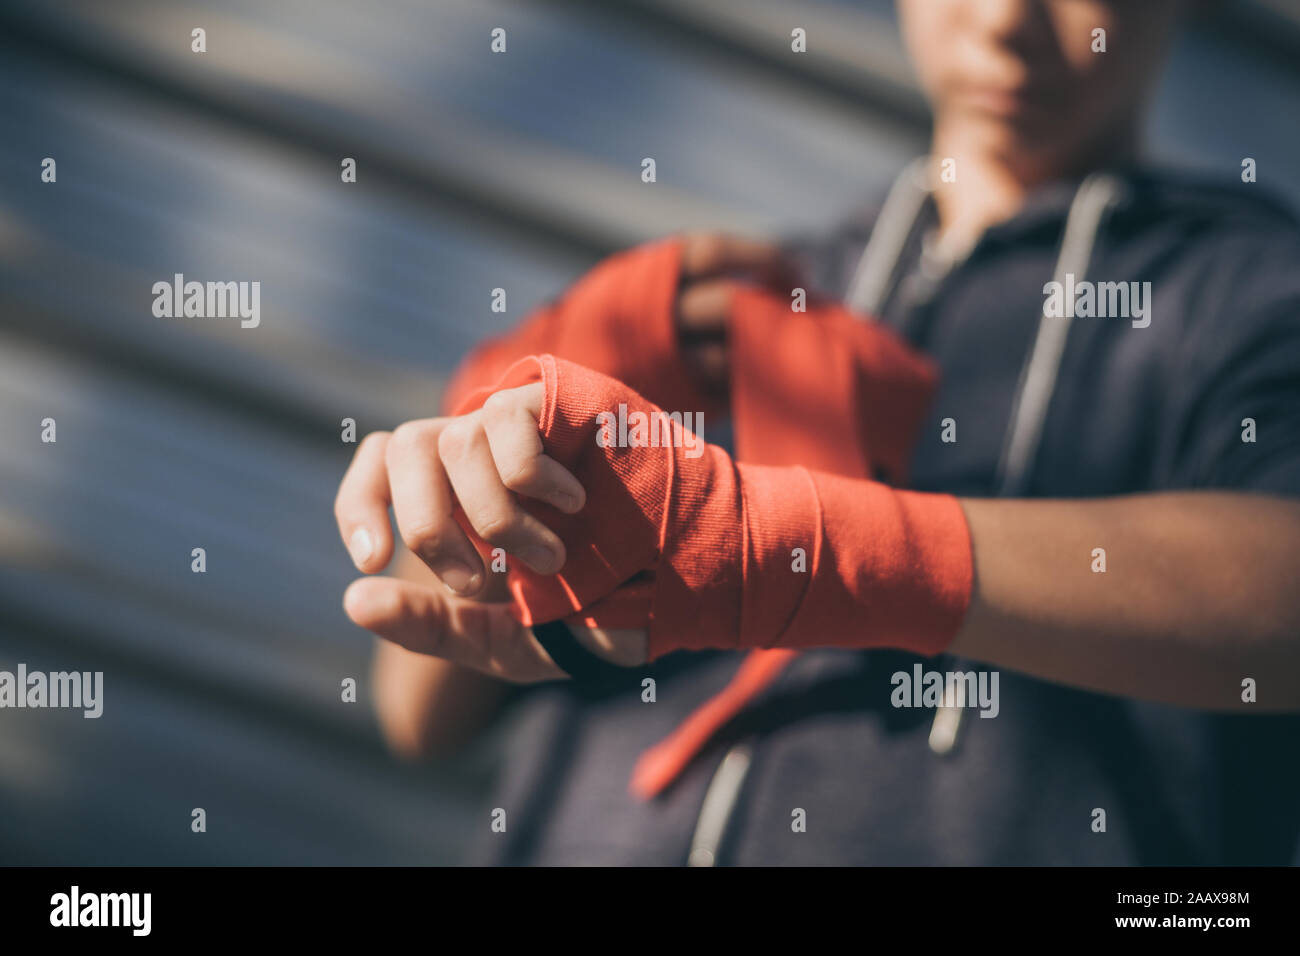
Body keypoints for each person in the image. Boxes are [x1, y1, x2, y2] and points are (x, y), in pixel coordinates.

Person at [335, 0, 1300, 864]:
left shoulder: (1249, 292)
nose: (1006, 22)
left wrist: (811, 548)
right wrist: (498, 446)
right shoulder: (737, 295)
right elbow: (419, 710)